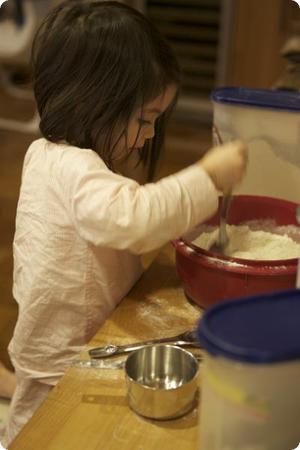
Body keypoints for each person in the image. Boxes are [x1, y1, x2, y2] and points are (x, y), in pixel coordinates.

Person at [3, 0, 247, 446]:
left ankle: (14, 385)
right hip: (61, 355)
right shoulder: (71, 168)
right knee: (40, 431)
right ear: (93, 99)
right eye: (144, 118)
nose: (151, 134)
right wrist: (209, 176)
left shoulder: (56, 155)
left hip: (76, 341)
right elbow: (132, 219)